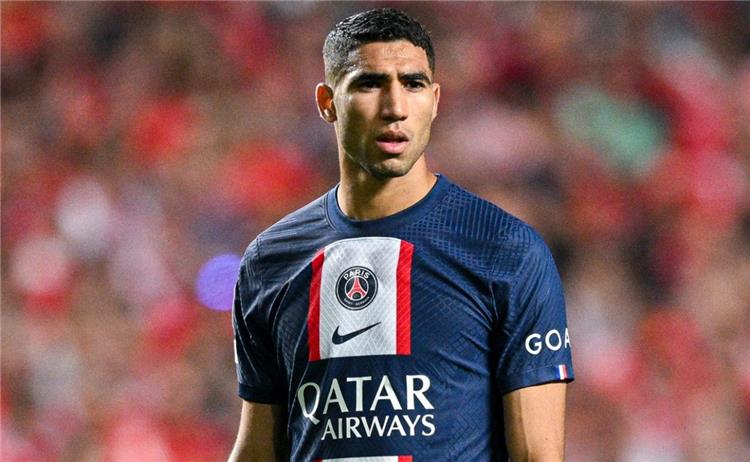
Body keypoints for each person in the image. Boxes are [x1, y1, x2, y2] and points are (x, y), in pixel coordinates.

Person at [229, 8, 573, 462]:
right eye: (369, 84)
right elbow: (257, 449)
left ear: (435, 100)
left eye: (412, 84)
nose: (395, 108)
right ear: (327, 102)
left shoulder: (504, 250)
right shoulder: (271, 260)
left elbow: (537, 455)